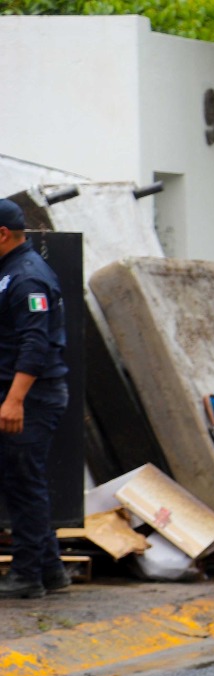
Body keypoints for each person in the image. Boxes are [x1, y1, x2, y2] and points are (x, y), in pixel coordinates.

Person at [0, 198, 70, 599]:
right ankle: (51, 570)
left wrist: (14, 400)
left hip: (32, 397)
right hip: (23, 394)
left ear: (3, 234)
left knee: (26, 484)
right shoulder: (10, 271)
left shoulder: (27, 277)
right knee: (22, 482)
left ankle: (27, 576)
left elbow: (35, 342)